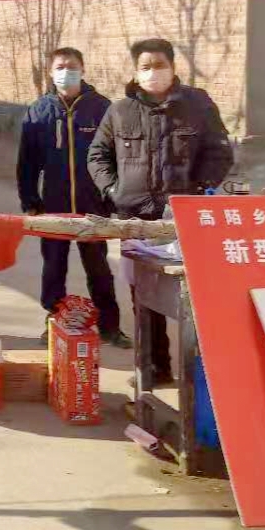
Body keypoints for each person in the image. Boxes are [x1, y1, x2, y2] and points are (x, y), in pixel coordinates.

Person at [87, 37, 234, 382]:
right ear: (136, 72)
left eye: (159, 65)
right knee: (143, 295)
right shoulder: (120, 111)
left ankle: (205, 376)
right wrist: (114, 191)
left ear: (172, 67)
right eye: (146, 66)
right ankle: (154, 368)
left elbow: (220, 152)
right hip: (135, 221)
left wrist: (199, 189)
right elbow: (97, 156)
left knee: (193, 295)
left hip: (182, 218)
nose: (153, 72)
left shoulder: (197, 104)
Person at [17, 47, 130, 348]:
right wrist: (30, 199)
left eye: (72, 66)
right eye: (59, 67)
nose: (65, 71)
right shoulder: (39, 111)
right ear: (50, 72)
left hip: (92, 205)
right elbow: (27, 162)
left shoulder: (102, 108)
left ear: (82, 69)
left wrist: (112, 197)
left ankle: (110, 327)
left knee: (98, 267)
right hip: (54, 204)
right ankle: (54, 322)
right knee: (53, 267)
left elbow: (115, 158)